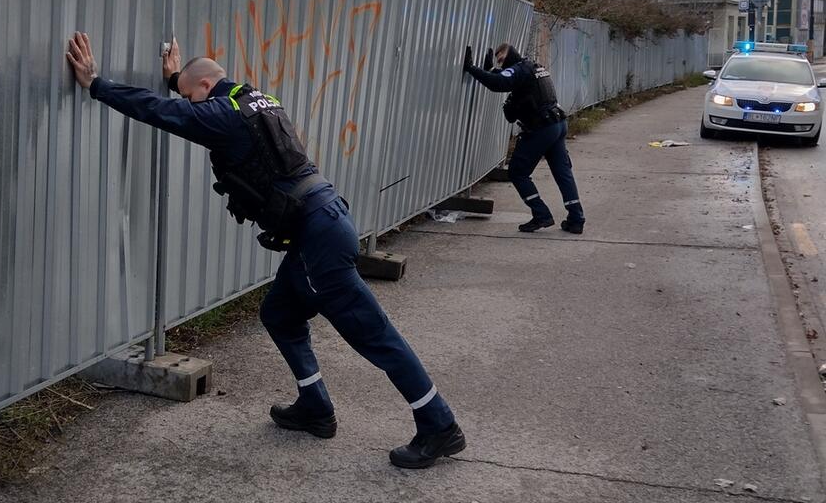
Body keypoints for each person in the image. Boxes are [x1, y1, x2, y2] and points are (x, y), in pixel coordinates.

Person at [65, 32, 463, 469]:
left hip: (317, 237)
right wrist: (178, 77)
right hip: (324, 220)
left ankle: (438, 425)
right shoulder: (255, 98)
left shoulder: (222, 116)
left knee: (374, 334)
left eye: (191, 95)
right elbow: (193, 102)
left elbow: (165, 112)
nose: (193, 106)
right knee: (280, 314)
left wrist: (96, 84)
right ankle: (315, 407)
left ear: (203, 89)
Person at [463, 42, 586, 235]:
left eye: (502, 59)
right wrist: (491, 70)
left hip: (542, 128)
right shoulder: (532, 67)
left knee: (517, 173)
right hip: (558, 123)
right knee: (563, 172)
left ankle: (541, 214)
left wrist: (472, 69)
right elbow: (507, 78)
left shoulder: (518, 70)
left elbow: (499, 83)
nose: (501, 64)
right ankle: (576, 219)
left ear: (511, 55)